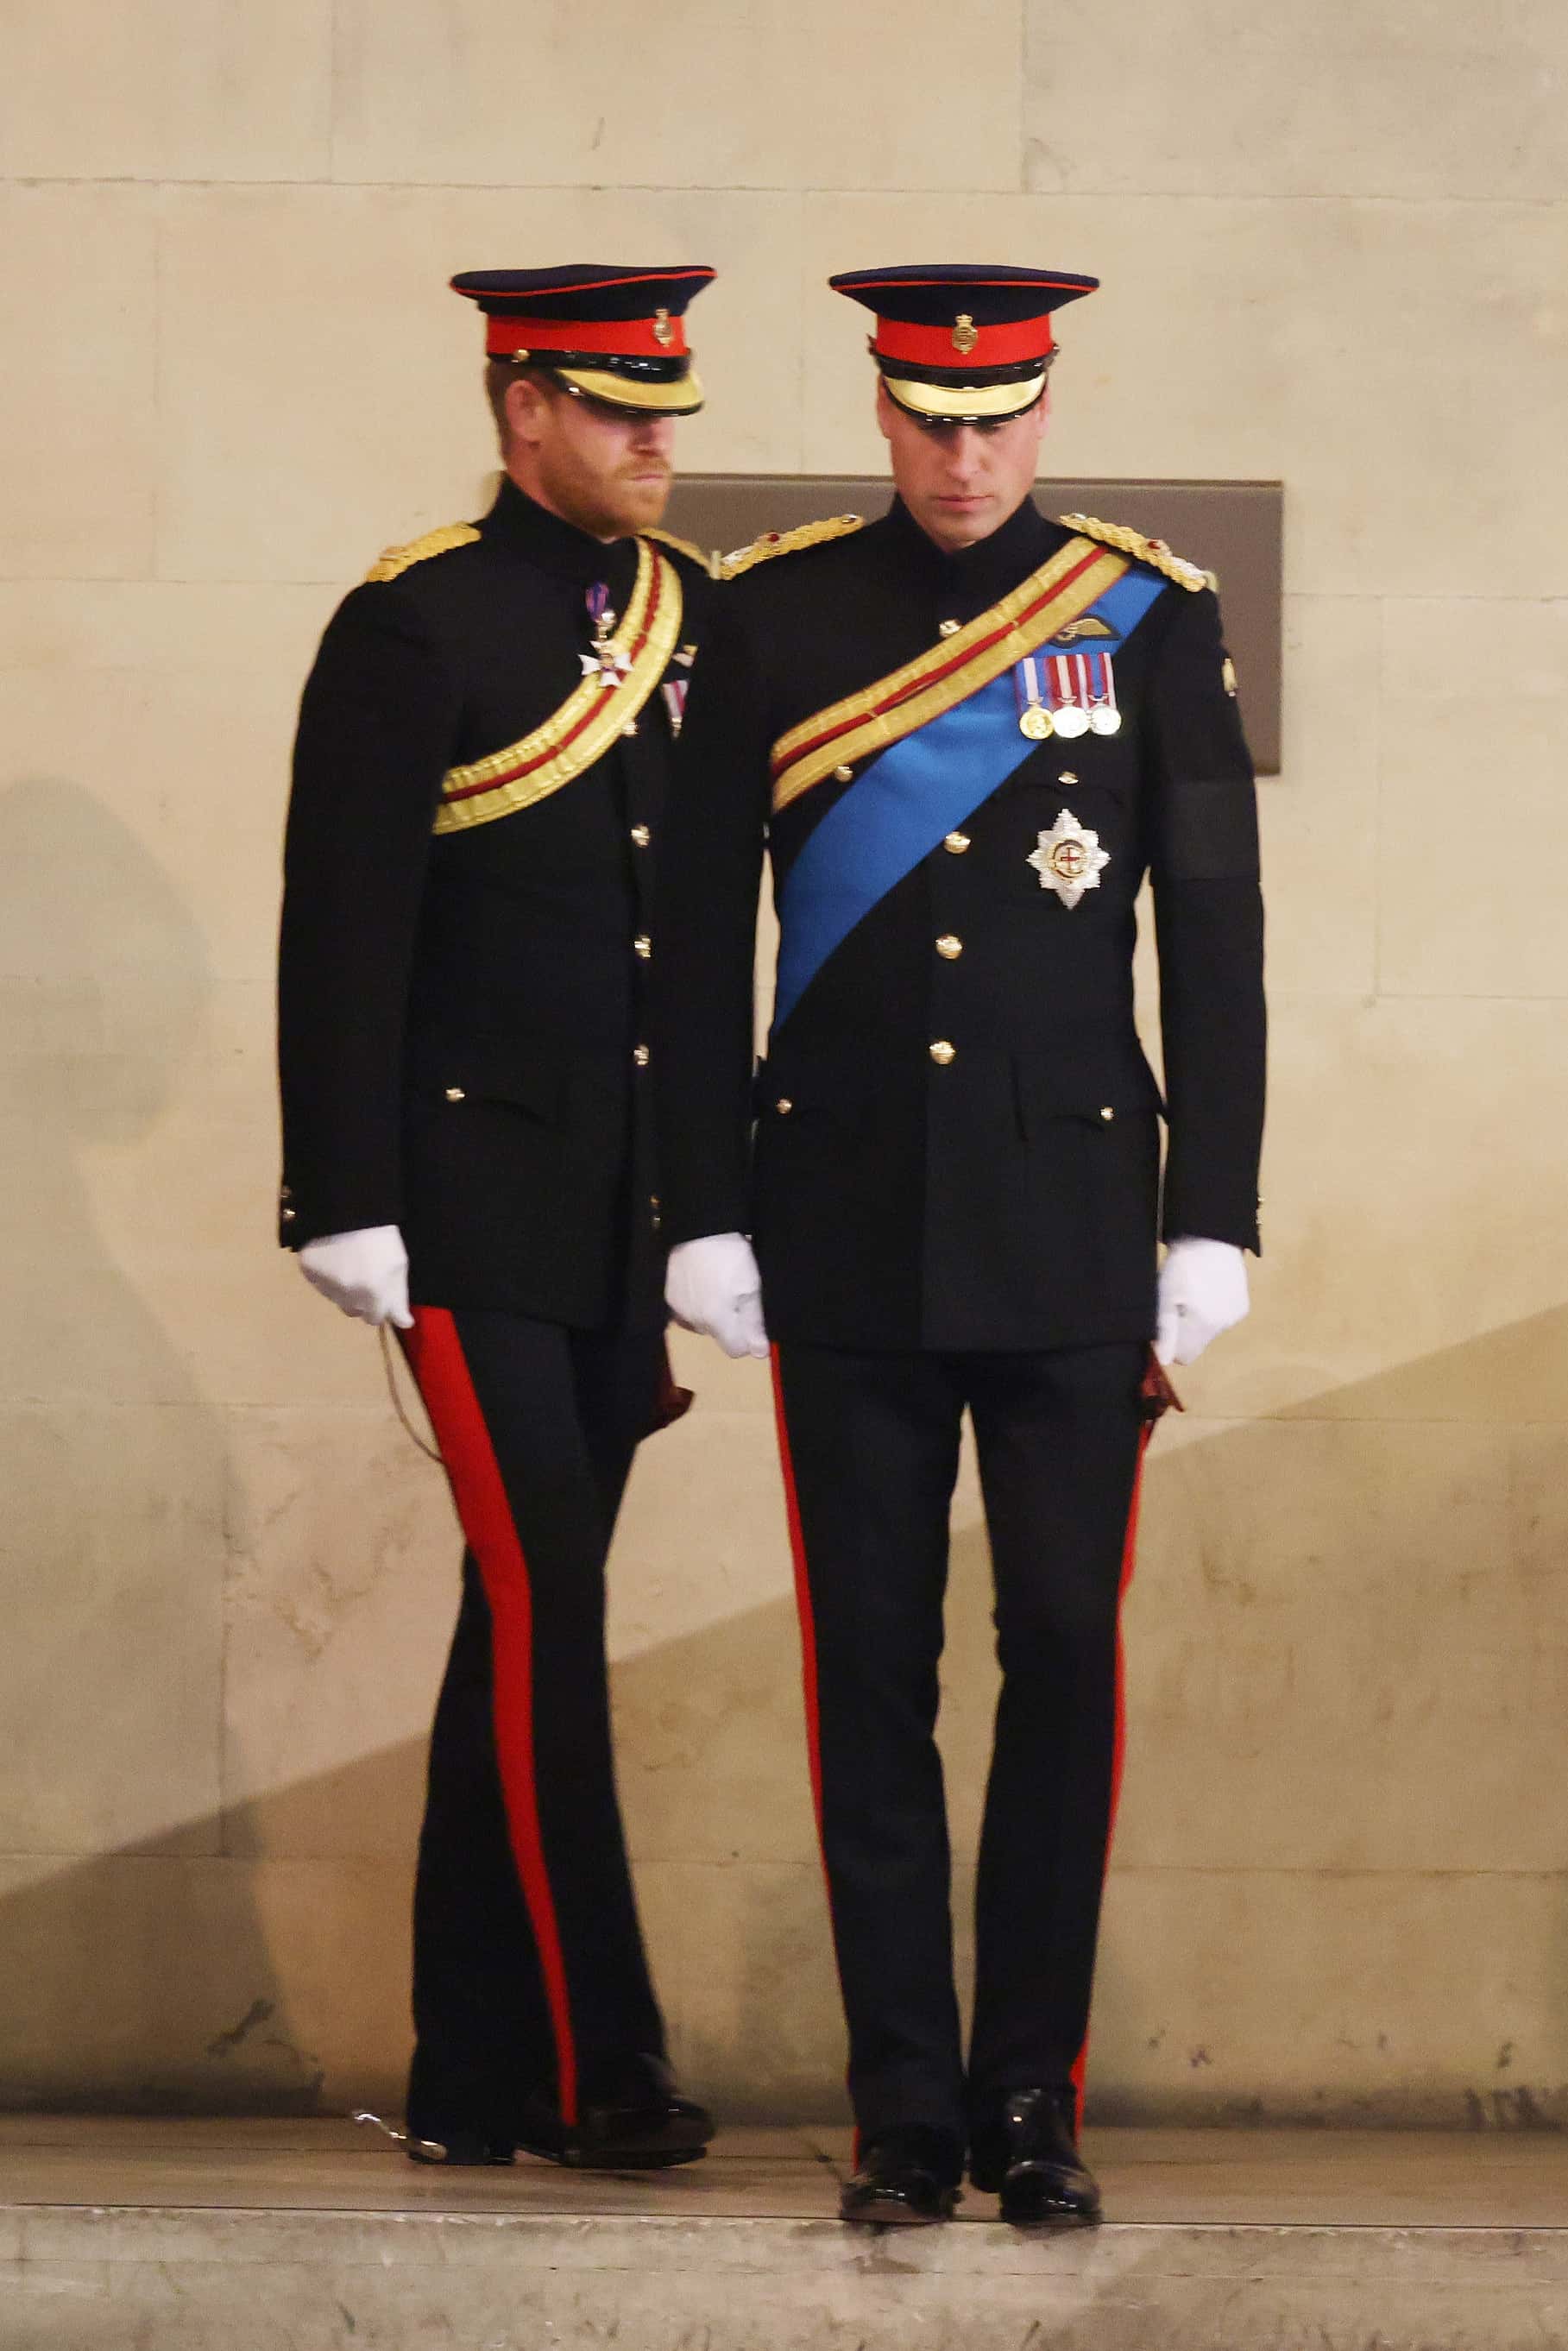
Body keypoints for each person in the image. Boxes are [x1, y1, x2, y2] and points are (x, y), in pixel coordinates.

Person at [654, 263, 1264, 2226]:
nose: (964, 453)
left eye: (997, 419)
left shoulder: (1149, 615)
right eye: (930, 418)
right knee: (871, 1681)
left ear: (1047, 410)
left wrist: (1215, 1217)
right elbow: (689, 945)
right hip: (840, 1226)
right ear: (881, 411)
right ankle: (908, 2107)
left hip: (1078, 1235)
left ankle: (1032, 2104)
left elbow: (1216, 941)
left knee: (1066, 1666)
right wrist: (707, 1206)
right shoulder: (771, 618)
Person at [277, 262, 719, 2171]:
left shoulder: (693, 619)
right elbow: (343, 921)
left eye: (668, 409)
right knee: (548, 1601)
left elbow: (695, 942)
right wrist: (341, 1191)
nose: (653, 441)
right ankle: (602, 2055)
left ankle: (476, 2070)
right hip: (459, 1207)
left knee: (514, 1627)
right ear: (518, 402)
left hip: (622, 1224)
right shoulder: (412, 624)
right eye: (616, 405)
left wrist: (715, 1204)